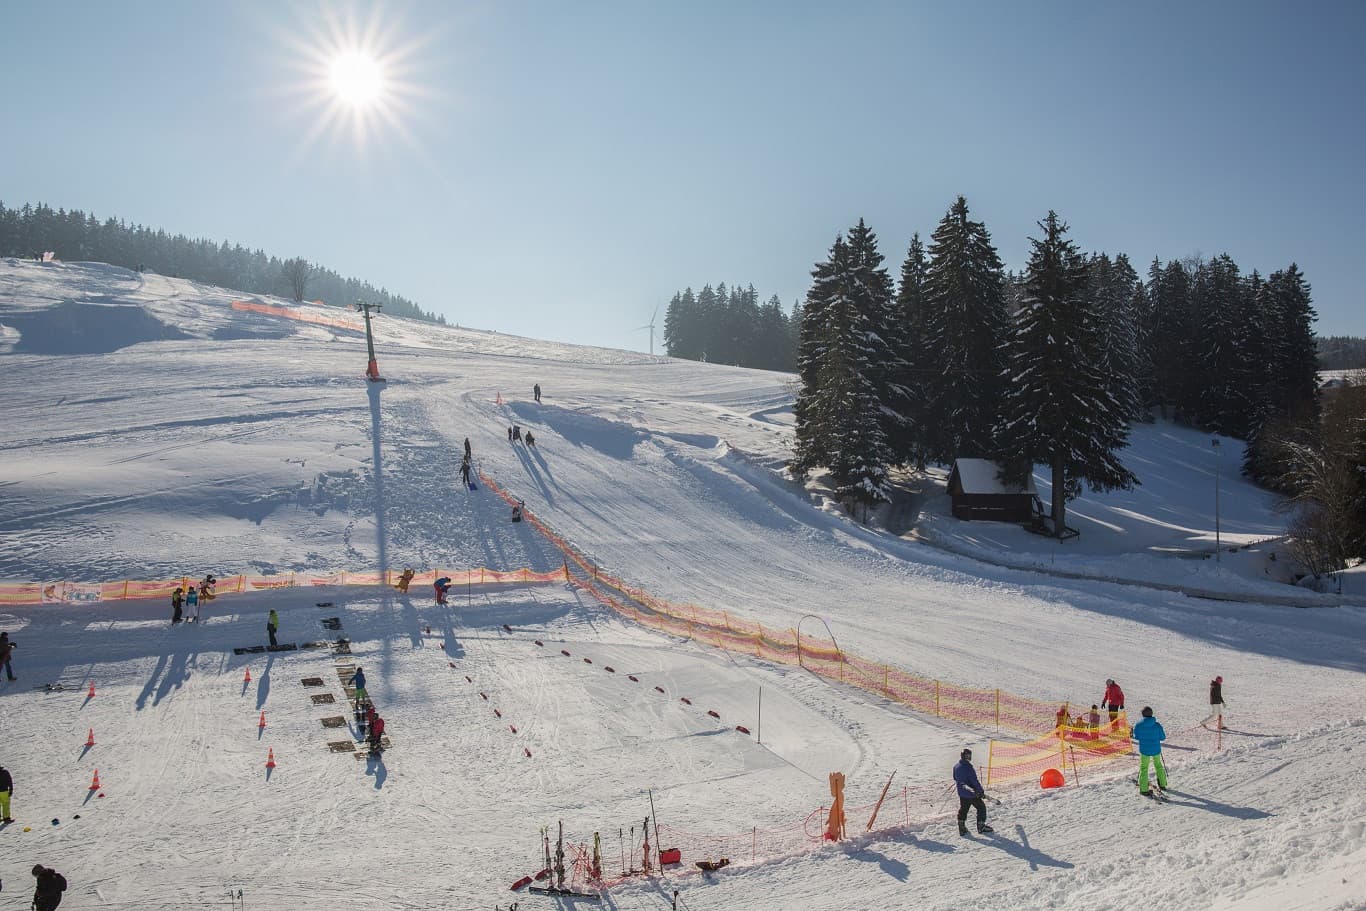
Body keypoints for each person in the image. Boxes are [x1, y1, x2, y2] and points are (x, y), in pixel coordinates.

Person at [952, 748, 992, 836]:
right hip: (972, 794)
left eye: (969, 755)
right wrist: (980, 791)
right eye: (968, 755)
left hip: (962, 793)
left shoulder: (956, 766)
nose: (969, 757)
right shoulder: (969, 768)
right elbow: (974, 780)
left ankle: (962, 828)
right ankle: (981, 826)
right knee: (981, 807)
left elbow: (955, 778)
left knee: (964, 809)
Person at [1132, 706, 1168, 795]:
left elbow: (1136, 737)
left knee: (1144, 768)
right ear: (1151, 714)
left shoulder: (1138, 725)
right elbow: (1163, 737)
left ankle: (1143, 789)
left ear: (1143, 715)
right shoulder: (1157, 725)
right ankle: (1162, 784)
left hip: (1144, 750)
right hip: (1156, 749)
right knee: (1158, 765)